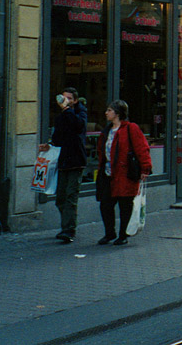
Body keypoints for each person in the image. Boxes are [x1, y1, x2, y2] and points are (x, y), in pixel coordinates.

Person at [96, 100, 152, 246]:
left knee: (124, 205)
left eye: (109, 110)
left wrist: (145, 168)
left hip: (125, 174)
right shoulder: (107, 130)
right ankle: (109, 233)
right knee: (105, 204)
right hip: (108, 173)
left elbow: (142, 148)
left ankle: (123, 235)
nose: (106, 113)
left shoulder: (131, 128)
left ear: (117, 113)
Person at [39, 87, 88, 243]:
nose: (65, 101)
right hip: (63, 160)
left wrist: (67, 109)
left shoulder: (80, 113)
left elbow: (78, 125)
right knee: (61, 197)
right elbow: (57, 139)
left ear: (74, 100)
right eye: (63, 98)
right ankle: (67, 226)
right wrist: (48, 145)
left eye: (68, 98)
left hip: (76, 160)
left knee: (71, 196)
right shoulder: (61, 116)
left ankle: (68, 230)